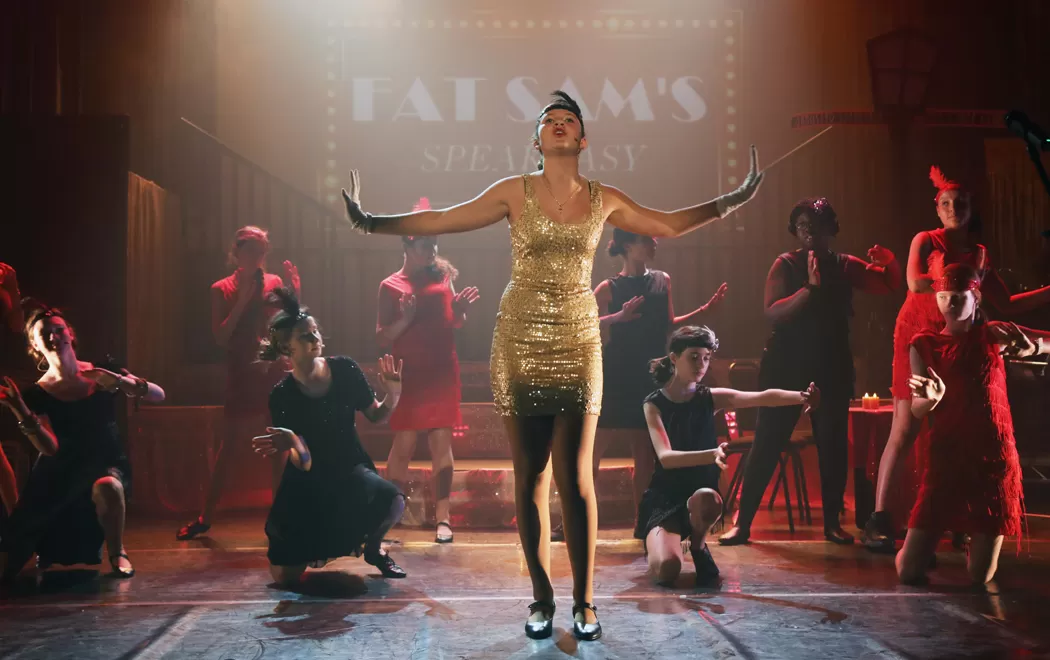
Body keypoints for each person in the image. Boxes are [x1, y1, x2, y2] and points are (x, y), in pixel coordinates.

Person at [338, 90, 765, 640]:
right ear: (536, 140)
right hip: (519, 339)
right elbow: (445, 217)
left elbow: (667, 223)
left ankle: (584, 602)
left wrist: (731, 200)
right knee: (532, 476)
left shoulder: (604, 198)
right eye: (549, 120)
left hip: (579, 340)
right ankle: (541, 598)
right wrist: (370, 222)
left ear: (583, 140)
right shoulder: (513, 191)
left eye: (569, 120)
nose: (559, 124)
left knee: (577, 479)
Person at [865, 168, 1050, 552]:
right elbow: (914, 282)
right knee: (906, 425)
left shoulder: (979, 254)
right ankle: (880, 518)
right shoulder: (925, 239)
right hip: (918, 335)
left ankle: (956, 517)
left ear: (970, 208)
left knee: (957, 426)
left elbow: (1005, 303)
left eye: (960, 203)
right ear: (937, 209)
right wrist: (956, 282)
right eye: (946, 203)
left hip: (958, 337)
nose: (953, 209)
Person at [720, 198, 901, 546]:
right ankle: (743, 523)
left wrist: (890, 261)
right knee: (768, 440)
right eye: (803, 225)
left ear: (830, 229)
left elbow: (889, 283)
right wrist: (810, 289)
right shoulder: (786, 264)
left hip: (831, 363)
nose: (809, 232)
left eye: (816, 225)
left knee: (832, 445)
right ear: (795, 229)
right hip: (786, 364)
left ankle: (832, 523)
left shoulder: (844, 264)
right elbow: (772, 312)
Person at [897, 264, 1050, 585]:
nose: (950, 303)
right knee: (908, 571)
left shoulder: (992, 334)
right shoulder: (923, 344)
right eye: (943, 296)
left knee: (979, 577)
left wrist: (1033, 347)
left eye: (958, 296)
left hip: (992, 456)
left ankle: (972, 540)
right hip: (948, 455)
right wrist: (932, 399)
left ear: (976, 297)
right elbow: (917, 410)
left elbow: (1044, 341)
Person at [638, 326, 819, 587]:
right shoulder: (654, 404)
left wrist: (802, 397)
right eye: (693, 357)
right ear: (674, 358)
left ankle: (698, 545)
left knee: (707, 497)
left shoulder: (709, 398)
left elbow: (762, 397)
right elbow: (666, 458)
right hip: (665, 497)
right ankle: (663, 541)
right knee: (668, 570)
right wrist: (711, 454)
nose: (701, 364)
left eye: (706, 358)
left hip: (699, 494)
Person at [252, 288, 408, 586]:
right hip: (308, 480)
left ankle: (374, 550)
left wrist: (393, 394)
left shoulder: (345, 369)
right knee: (285, 578)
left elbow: (376, 415)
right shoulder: (283, 395)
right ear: (287, 347)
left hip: (350, 466)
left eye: (315, 332)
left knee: (393, 500)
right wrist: (293, 442)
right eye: (305, 336)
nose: (315, 338)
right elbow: (304, 463)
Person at [0, 303, 164, 581]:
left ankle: (117, 552)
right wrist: (20, 409)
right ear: (35, 345)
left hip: (105, 462)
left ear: (70, 334)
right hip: (59, 472)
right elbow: (50, 448)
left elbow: (158, 395)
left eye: (59, 329)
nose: (54, 336)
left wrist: (118, 380)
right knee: (7, 565)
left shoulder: (102, 371)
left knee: (108, 486)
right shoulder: (36, 393)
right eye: (45, 334)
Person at [590, 230, 726, 524]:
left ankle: (643, 521)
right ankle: (575, 518)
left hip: (649, 374)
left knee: (644, 453)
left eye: (654, 239)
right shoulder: (609, 287)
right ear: (627, 245)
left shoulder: (662, 280)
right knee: (593, 449)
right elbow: (581, 320)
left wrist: (705, 310)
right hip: (615, 375)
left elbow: (669, 325)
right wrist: (617, 318)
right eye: (646, 240)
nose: (654, 244)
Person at [178, 226, 301, 541]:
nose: (258, 257)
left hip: (272, 370)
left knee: (278, 444)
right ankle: (206, 516)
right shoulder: (221, 288)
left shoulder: (273, 281)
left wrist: (294, 296)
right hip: (242, 372)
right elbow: (220, 337)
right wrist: (243, 300)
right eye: (252, 251)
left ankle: (281, 518)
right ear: (237, 252)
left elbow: (285, 325)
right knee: (229, 446)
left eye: (262, 251)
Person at [377, 198, 479, 543]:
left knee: (440, 440)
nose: (432, 250)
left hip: (441, 369)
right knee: (404, 442)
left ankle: (443, 519)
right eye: (425, 244)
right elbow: (382, 337)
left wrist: (460, 309)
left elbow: (455, 323)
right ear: (408, 246)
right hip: (409, 374)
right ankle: (389, 515)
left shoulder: (443, 278)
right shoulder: (390, 285)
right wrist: (406, 318)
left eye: (434, 244)